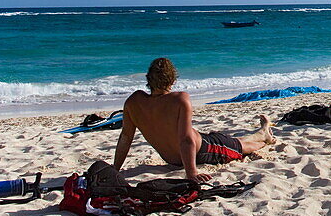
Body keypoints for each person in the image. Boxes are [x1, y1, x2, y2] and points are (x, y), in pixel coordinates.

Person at [113, 58, 275, 183]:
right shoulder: (179, 100)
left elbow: (125, 138)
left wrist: (115, 169)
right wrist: (191, 173)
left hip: (198, 149)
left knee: (238, 145)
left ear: (148, 79)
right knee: (238, 145)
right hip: (201, 149)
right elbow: (185, 139)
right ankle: (263, 134)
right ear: (172, 80)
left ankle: (264, 134)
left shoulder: (134, 102)